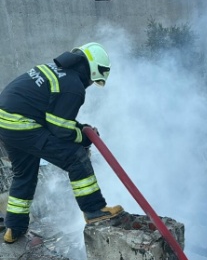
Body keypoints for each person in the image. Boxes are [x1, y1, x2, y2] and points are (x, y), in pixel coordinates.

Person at [0, 42, 123, 244]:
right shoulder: (74, 86)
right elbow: (60, 129)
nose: (91, 84)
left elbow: (55, 119)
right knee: (76, 158)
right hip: (23, 124)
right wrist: (84, 138)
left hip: (6, 122)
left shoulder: (54, 69)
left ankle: (14, 228)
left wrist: (81, 128)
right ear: (91, 69)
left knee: (24, 174)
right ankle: (94, 210)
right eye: (93, 80)